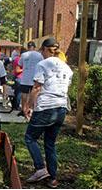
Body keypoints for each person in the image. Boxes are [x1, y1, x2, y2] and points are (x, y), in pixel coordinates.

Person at [23, 38, 73, 188]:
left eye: (41, 51)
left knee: (30, 137)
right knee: (50, 143)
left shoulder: (42, 64)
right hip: (61, 108)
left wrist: (27, 106)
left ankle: (40, 169)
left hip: (46, 107)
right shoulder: (67, 68)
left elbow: (37, 88)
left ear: (44, 49)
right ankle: (53, 178)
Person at [19, 41, 44, 118]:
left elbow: (20, 65)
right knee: (34, 96)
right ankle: (31, 111)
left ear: (27, 47)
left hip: (25, 78)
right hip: (35, 78)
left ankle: (23, 110)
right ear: (34, 47)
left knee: (24, 95)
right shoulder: (39, 55)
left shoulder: (23, 55)